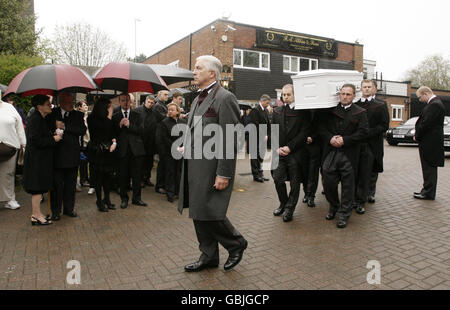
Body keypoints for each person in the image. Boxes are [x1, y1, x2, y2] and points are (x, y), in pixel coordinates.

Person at [179, 55, 247, 272]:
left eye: (198, 68)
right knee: (198, 212)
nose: (194, 71)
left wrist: (224, 173)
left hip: (212, 168)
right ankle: (208, 256)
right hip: (195, 165)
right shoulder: (198, 98)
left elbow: (231, 138)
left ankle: (236, 243)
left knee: (210, 212)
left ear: (212, 73)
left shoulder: (225, 97)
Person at [319, 84, 368, 228]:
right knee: (328, 182)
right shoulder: (330, 111)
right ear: (339, 94)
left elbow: (363, 132)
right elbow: (321, 129)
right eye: (343, 94)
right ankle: (333, 206)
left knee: (348, 187)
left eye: (348, 94)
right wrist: (331, 138)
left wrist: (345, 140)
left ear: (354, 96)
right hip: (331, 153)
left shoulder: (360, 112)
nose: (345, 96)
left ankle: (344, 215)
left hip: (350, 154)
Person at [271, 84, 310, 222]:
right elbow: (273, 131)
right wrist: (276, 147)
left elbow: (304, 133)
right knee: (277, 179)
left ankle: (290, 209)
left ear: (295, 95)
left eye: (288, 94)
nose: (285, 97)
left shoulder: (303, 112)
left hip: (296, 153)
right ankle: (283, 203)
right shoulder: (277, 111)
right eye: (284, 94)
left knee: (294, 183)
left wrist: (290, 147)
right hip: (280, 153)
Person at [23, 95, 62, 225]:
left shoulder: (41, 118)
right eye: (47, 104)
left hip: (40, 159)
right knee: (37, 187)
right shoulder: (35, 119)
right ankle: (36, 214)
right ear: (39, 106)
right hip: (36, 160)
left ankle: (36, 214)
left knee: (39, 187)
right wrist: (53, 139)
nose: (50, 106)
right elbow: (36, 140)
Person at [48, 92, 87, 220]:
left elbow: (81, 130)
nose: (71, 105)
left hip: (72, 155)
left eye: (72, 102)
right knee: (57, 185)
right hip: (57, 155)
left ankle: (69, 209)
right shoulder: (52, 114)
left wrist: (65, 126)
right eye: (68, 102)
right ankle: (55, 211)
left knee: (70, 185)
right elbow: (47, 128)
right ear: (61, 103)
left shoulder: (78, 114)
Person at [354, 80, 389, 214]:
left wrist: (370, 132)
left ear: (374, 88)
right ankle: (358, 195)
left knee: (372, 169)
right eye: (364, 87)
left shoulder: (380, 105)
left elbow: (384, 124)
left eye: (369, 87)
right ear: (361, 88)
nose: (367, 89)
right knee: (359, 170)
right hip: (358, 143)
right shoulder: (356, 104)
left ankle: (370, 193)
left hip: (374, 142)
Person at [112, 93, 147, 208]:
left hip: (136, 151)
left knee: (137, 176)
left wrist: (129, 125)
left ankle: (137, 198)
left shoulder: (138, 115)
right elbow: (112, 133)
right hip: (122, 150)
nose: (125, 103)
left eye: (127, 100)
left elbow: (142, 131)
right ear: (119, 102)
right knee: (122, 176)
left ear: (131, 102)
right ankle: (124, 199)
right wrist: (119, 125)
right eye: (123, 100)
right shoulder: (115, 116)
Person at [413, 86, 445, 200]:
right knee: (428, 168)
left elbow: (426, 123)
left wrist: (417, 135)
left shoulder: (434, 105)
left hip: (430, 143)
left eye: (420, 97)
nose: (419, 100)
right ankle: (426, 190)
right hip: (429, 142)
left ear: (426, 93)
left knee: (429, 168)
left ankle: (428, 192)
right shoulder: (435, 104)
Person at [88, 98, 118, 212]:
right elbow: (103, 130)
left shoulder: (109, 119)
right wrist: (109, 116)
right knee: (98, 178)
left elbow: (112, 133)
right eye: (109, 107)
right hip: (97, 151)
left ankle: (107, 199)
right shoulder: (92, 118)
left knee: (107, 177)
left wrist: (114, 142)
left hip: (108, 151)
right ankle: (99, 201)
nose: (111, 109)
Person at [155, 102, 186, 202]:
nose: (170, 111)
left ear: (177, 111)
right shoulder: (164, 123)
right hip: (169, 152)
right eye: (169, 110)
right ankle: (170, 193)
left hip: (181, 152)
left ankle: (178, 192)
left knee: (179, 172)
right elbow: (164, 138)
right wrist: (175, 147)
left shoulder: (183, 122)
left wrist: (184, 147)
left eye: (172, 110)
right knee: (170, 172)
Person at [0, 98, 26, 210]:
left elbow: (19, 125)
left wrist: (23, 143)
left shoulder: (9, 108)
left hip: (9, 146)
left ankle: (9, 199)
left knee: (8, 174)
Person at [300, 109, 322, 208]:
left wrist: (313, 137)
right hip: (303, 146)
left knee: (313, 172)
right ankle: (306, 193)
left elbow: (323, 128)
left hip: (316, 146)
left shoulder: (321, 111)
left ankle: (311, 195)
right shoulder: (302, 110)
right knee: (304, 172)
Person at [135, 94, 158, 187]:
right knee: (140, 162)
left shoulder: (154, 112)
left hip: (151, 141)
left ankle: (147, 178)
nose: (150, 104)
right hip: (140, 140)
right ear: (145, 101)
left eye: (152, 103)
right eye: (149, 102)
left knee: (149, 161)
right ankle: (140, 179)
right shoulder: (137, 111)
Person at [248, 94, 271, 183]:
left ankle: (260, 174)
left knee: (260, 157)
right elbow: (254, 124)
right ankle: (256, 175)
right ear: (263, 101)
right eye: (267, 103)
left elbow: (268, 124)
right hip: (255, 138)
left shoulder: (265, 110)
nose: (268, 105)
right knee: (255, 157)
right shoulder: (255, 110)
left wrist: (267, 134)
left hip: (263, 138)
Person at [153, 89, 170, 194]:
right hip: (160, 137)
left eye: (168, 94)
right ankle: (159, 185)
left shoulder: (163, 105)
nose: (167, 96)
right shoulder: (158, 106)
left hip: (163, 136)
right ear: (159, 95)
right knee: (162, 162)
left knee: (163, 162)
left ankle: (161, 184)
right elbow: (164, 118)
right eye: (165, 94)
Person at [76, 100, 91, 188]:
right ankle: (83, 179)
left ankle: (86, 177)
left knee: (87, 162)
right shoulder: (79, 118)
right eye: (84, 105)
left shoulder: (87, 117)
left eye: (86, 105)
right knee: (83, 162)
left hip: (88, 142)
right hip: (82, 143)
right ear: (79, 107)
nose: (86, 107)